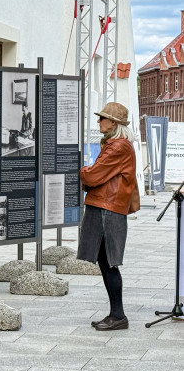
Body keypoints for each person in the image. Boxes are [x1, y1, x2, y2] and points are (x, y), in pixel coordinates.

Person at [78, 102, 139, 331]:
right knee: (105, 262)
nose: (99, 121)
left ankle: (118, 315)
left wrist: (82, 171)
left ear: (113, 123)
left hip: (108, 208)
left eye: (102, 118)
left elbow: (93, 176)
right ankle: (115, 314)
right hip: (105, 205)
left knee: (109, 263)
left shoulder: (118, 147)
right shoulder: (114, 144)